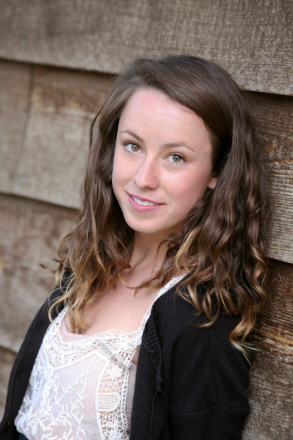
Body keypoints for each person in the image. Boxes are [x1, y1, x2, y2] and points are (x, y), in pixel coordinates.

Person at [0, 55, 267, 440]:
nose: (144, 178)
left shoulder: (201, 318)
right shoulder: (92, 263)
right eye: (133, 146)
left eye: (176, 157)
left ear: (217, 173)